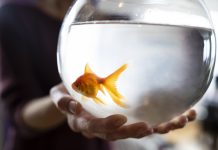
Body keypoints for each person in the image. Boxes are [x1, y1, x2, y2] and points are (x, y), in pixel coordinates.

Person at [0, 0, 196, 150]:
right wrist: (71, 99)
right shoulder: (11, 16)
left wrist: (152, 101)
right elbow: (20, 117)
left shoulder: (108, 17)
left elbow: (139, 78)